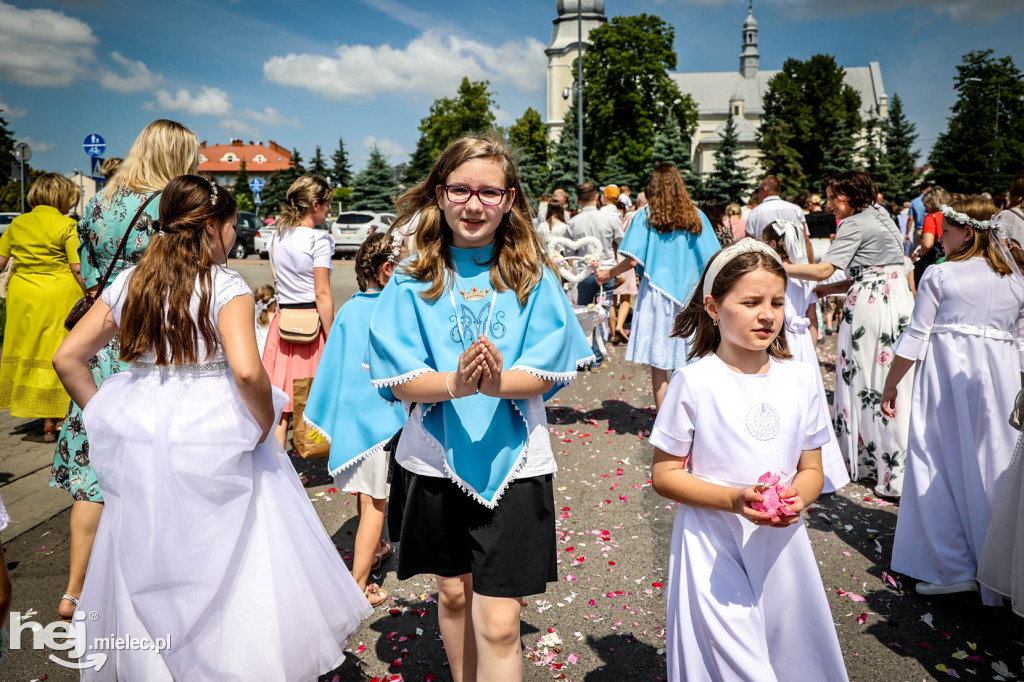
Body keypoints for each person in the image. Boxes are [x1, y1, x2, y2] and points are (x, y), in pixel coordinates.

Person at [51, 174, 371, 680]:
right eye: (229, 225)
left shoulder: (131, 281)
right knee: (237, 546)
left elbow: (69, 357)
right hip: (212, 419)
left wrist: (103, 416)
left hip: (141, 419)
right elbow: (247, 371)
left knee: (145, 539)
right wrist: (265, 422)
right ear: (214, 227)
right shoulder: (225, 285)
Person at [366, 135, 592, 682]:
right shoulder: (412, 277)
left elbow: (550, 367)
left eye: (489, 192)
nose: (474, 204)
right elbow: (396, 379)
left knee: (498, 624)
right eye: (460, 189)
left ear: (510, 199)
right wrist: (455, 383)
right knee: (452, 597)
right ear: (440, 196)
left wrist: (493, 384)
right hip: (434, 459)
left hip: (515, 463)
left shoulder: (533, 278)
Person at [651, 238, 848, 681]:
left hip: (781, 544)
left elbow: (811, 468)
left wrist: (799, 498)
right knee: (738, 662)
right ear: (714, 307)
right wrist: (734, 499)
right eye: (752, 301)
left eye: (777, 302)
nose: (768, 314)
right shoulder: (694, 381)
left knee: (789, 653)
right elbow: (664, 475)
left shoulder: (799, 379)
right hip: (712, 542)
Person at [49, 119, 199, 622]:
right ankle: (141, 591)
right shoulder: (168, 207)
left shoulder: (101, 201)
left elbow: (89, 268)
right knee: (150, 474)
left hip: (97, 344)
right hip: (144, 347)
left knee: (96, 477)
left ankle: (74, 590)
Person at [880, 196, 1024, 600]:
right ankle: (1001, 565)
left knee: (936, 461)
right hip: (1002, 387)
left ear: (966, 232)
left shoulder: (941, 276)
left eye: (945, 230)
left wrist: (891, 384)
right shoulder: (1018, 282)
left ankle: (953, 566)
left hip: (947, 381)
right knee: (995, 465)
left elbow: (915, 338)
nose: (940, 238)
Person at [785, 170, 915, 498]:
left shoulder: (854, 223)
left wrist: (777, 265)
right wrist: (828, 291)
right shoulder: (881, 215)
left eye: (832, 197)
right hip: (896, 302)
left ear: (850, 195)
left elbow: (823, 269)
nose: (829, 205)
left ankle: (878, 464)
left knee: (867, 382)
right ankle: (890, 463)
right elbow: (873, 271)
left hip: (871, 310)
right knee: (887, 380)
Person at [304, 232, 406, 608]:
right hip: (375, 422)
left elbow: (335, 367)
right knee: (376, 503)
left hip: (354, 418)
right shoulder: (392, 311)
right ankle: (358, 586)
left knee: (367, 497)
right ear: (387, 270)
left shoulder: (349, 309)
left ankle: (375, 549)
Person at [595, 163, 720, 410]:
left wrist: (609, 272)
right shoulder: (696, 215)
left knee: (660, 364)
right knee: (693, 359)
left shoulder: (647, 214)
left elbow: (632, 260)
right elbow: (712, 258)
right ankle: (694, 417)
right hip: (691, 295)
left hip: (656, 293)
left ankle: (665, 423)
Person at [762, 224, 850, 493]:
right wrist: (808, 352)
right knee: (809, 406)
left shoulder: (771, 276)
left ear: (774, 246)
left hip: (782, 341)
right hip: (802, 344)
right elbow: (813, 324)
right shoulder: (805, 276)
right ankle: (819, 468)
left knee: (780, 402)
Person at [0, 174, 83, 438]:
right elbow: (77, 267)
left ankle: (42, 416)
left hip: (23, 294)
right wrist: (93, 294)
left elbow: (1, 263)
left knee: (29, 348)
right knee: (58, 350)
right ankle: (56, 418)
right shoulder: (67, 225)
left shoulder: (17, 223)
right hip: (58, 293)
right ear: (62, 196)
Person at [262, 174, 335, 450]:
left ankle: (278, 472)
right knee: (307, 398)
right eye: (327, 204)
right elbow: (322, 294)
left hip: (283, 325)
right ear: (315, 205)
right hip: (311, 328)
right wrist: (333, 335)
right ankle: (302, 459)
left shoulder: (276, 237)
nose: (329, 209)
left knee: (282, 406)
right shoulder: (319, 241)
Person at [566, 181, 624, 372]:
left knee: (583, 313)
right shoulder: (609, 219)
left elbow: (568, 251)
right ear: (597, 198)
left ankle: (583, 357)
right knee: (601, 315)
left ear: (578, 200)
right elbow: (622, 241)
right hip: (606, 271)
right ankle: (597, 359)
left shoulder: (574, 222)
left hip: (583, 273)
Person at [746, 175, 814, 262]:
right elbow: (805, 239)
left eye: (758, 190)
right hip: (797, 263)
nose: (758, 193)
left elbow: (749, 243)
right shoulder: (795, 209)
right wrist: (811, 264)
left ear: (765, 190)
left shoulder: (756, 212)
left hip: (768, 263)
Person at [913, 185, 951, 284]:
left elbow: (927, 244)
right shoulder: (952, 215)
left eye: (926, 206)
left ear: (932, 203)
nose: (925, 210)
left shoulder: (931, 217)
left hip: (935, 260)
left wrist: (920, 253)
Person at [253, 284, 277, 357]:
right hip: (274, 356)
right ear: (274, 301)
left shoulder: (255, 318)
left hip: (259, 356)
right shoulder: (277, 318)